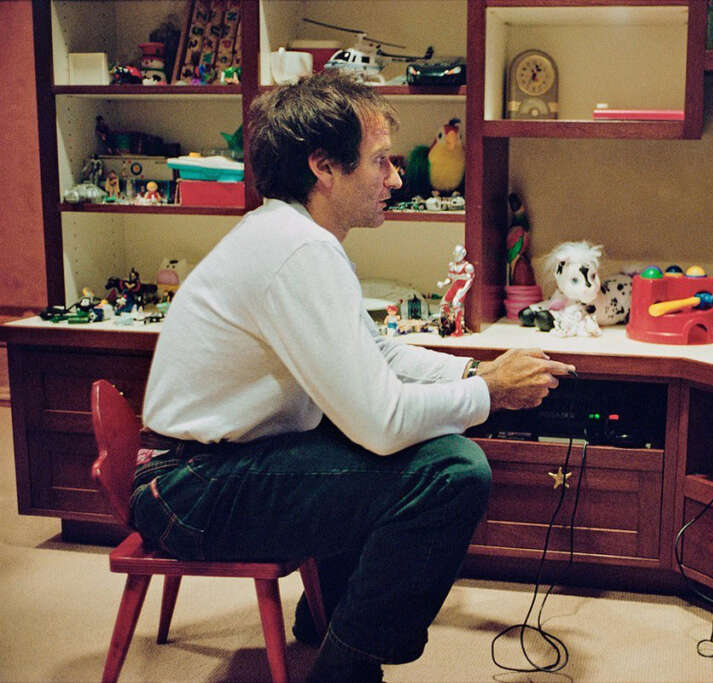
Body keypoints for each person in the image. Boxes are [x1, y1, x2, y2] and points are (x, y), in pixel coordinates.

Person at [133, 71, 574, 683]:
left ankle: (327, 622)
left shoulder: (291, 235)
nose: (396, 178)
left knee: (376, 446)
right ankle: (344, 670)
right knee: (451, 472)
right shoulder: (298, 251)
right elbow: (383, 424)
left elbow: (381, 354)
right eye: (380, 161)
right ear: (324, 167)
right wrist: (490, 394)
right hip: (188, 491)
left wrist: (478, 370)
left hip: (197, 472)